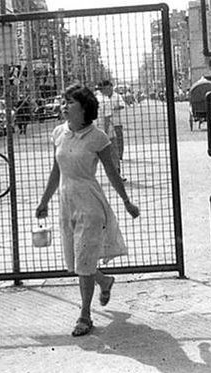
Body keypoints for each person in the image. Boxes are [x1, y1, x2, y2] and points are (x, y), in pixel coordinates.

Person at [35, 84, 140, 336]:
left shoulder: (98, 138)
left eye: (70, 102)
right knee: (76, 261)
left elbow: (112, 172)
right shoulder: (58, 133)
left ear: (84, 109)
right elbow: (56, 171)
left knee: (83, 261)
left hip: (91, 206)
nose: (64, 106)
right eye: (64, 101)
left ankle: (85, 315)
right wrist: (44, 201)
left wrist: (126, 202)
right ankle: (104, 281)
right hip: (66, 203)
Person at [99, 81, 126, 166]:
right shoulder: (102, 98)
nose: (107, 90)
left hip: (116, 121)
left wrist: (115, 107)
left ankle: (119, 155)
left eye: (108, 88)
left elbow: (122, 105)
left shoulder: (117, 96)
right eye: (104, 89)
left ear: (111, 87)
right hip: (106, 122)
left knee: (118, 138)